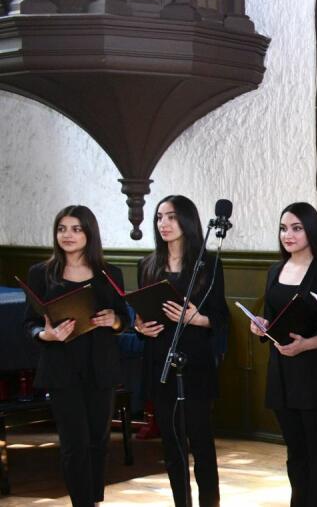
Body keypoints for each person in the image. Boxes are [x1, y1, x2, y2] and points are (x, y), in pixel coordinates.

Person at [22, 205, 127, 507]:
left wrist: (114, 321)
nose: (67, 235)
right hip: (61, 368)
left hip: (100, 368)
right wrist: (46, 335)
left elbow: (123, 319)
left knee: (98, 441)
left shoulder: (110, 273)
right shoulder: (41, 273)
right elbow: (30, 324)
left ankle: (93, 500)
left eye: (76, 229)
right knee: (74, 443)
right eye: (62, 229)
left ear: (89, 233)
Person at [251, 203, 317, 506]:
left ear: (311, 231)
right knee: (296, 454)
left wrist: (306, 344)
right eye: (284, 228)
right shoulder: (275, 270)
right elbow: (273, 319)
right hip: (283, 374)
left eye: (297, 228)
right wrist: (261, 326)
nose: (288, 235)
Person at [133, 195, 227, 507]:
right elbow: (141, 314)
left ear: (187, 221)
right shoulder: (146, 265)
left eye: (171, 217)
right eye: (159, 217)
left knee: (201, 444)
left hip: (195, 362)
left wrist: (197, 318)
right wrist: (139, 327)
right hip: (160, 358)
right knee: (171, 447)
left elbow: (221, 318)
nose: (164, 224)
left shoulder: (209, 264)